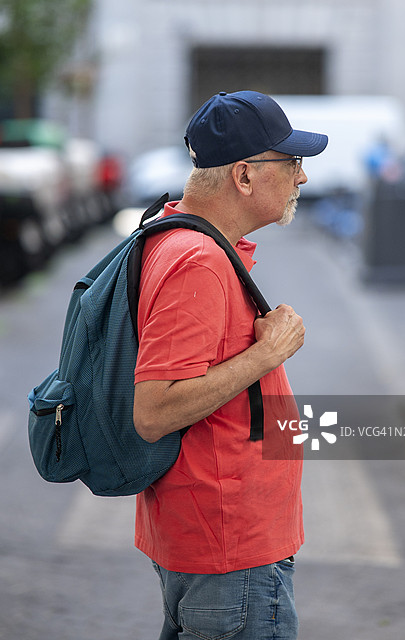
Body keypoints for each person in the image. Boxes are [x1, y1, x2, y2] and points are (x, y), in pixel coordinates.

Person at [133, 90, 328, 640]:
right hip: (230, 552)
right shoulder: (197, 259)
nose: (302, 177)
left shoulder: (184, 239)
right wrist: (268, 354)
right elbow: (153, 410)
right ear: (244, 175)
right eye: (291, 162)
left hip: (222, 544)